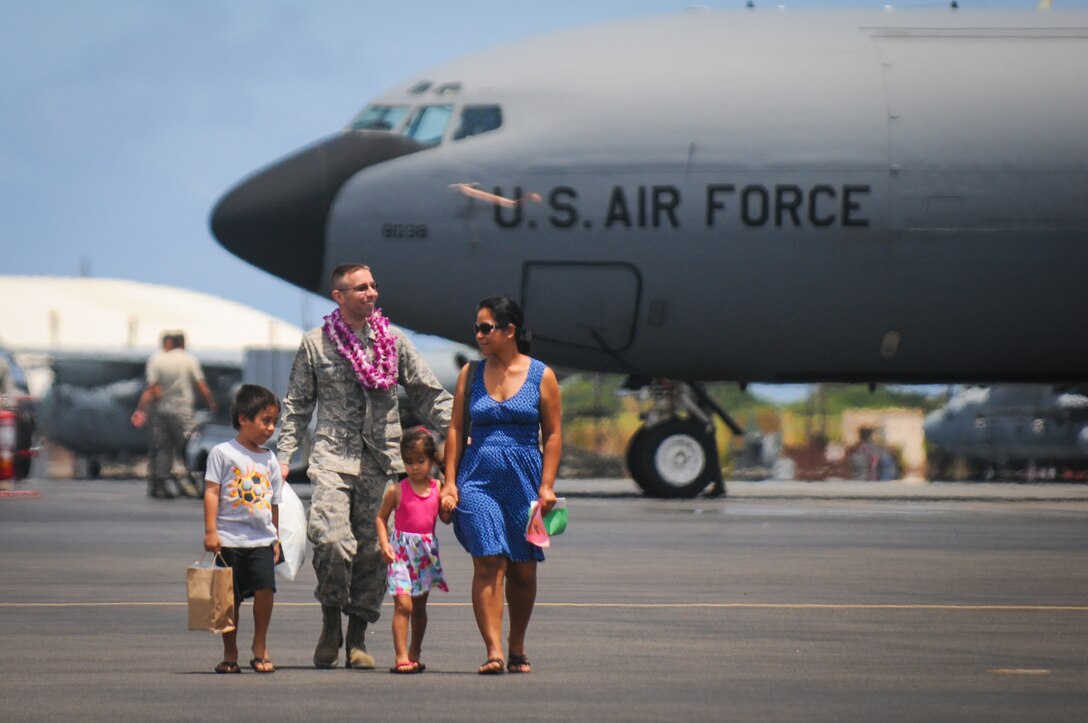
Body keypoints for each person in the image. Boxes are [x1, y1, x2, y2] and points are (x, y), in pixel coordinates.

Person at [277, 263, 452, 670]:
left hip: (382, 459)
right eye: (360, 288)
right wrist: (283, 458)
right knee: (331, 540)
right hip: (332, 458)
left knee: (374, 551)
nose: (371, 293)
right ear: (339, 296)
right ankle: (329, 621)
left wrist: (466, 425)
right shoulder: (315, 344)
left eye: (373, 286)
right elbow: (298, 405)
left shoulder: (393, 340)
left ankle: (356, 635)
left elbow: (428, 393)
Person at [440, 296, 561, 675]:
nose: (478, 335)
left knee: (524, 568)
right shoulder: (470, 375)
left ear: (509, 331)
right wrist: (449, 482)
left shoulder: (542, 375)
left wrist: (547, 485)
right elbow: (457, 428)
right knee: (489, 560)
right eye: (476, 328)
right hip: (477, 478)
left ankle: (516, 645)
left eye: (486, 328)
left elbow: (554, 434)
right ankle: (492, 650)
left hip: (525, 479)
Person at [202, 384, 283, 674]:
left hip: (261, 539)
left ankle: (260, 645)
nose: (271, 427)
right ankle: (230, 651)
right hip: (229, 539)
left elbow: (275, 501)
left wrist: (276, 538)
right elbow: (212, 492)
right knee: (229, 598)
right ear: (243, 419)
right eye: (265, 420)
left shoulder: (269, 458)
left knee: (265, 591)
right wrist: (211, 531)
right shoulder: (222, 453)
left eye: (274, 421)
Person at [375, 427, 451, 674]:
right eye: (409, 462)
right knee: (403, 606)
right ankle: (400, 656)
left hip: (425, 555)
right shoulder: (397, 490)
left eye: (420, 461)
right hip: (400, 554)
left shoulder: (438, 488)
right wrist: (384, 543)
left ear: (430, 460)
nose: (415, 467)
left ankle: (414, 652)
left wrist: (449, 506)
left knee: (419, 608)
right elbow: (381, 517)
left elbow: (445, 518)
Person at [132, 331, 218, 499]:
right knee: (189, 447)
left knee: (162, 448)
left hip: (161, 411)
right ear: (183, 343)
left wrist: (141, 408)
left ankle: (159, 484)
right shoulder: (189, 360)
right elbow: (200, 384)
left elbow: (153, 388)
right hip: (183, 411)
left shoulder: (156, 360)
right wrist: (211, 403)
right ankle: (197, 483)